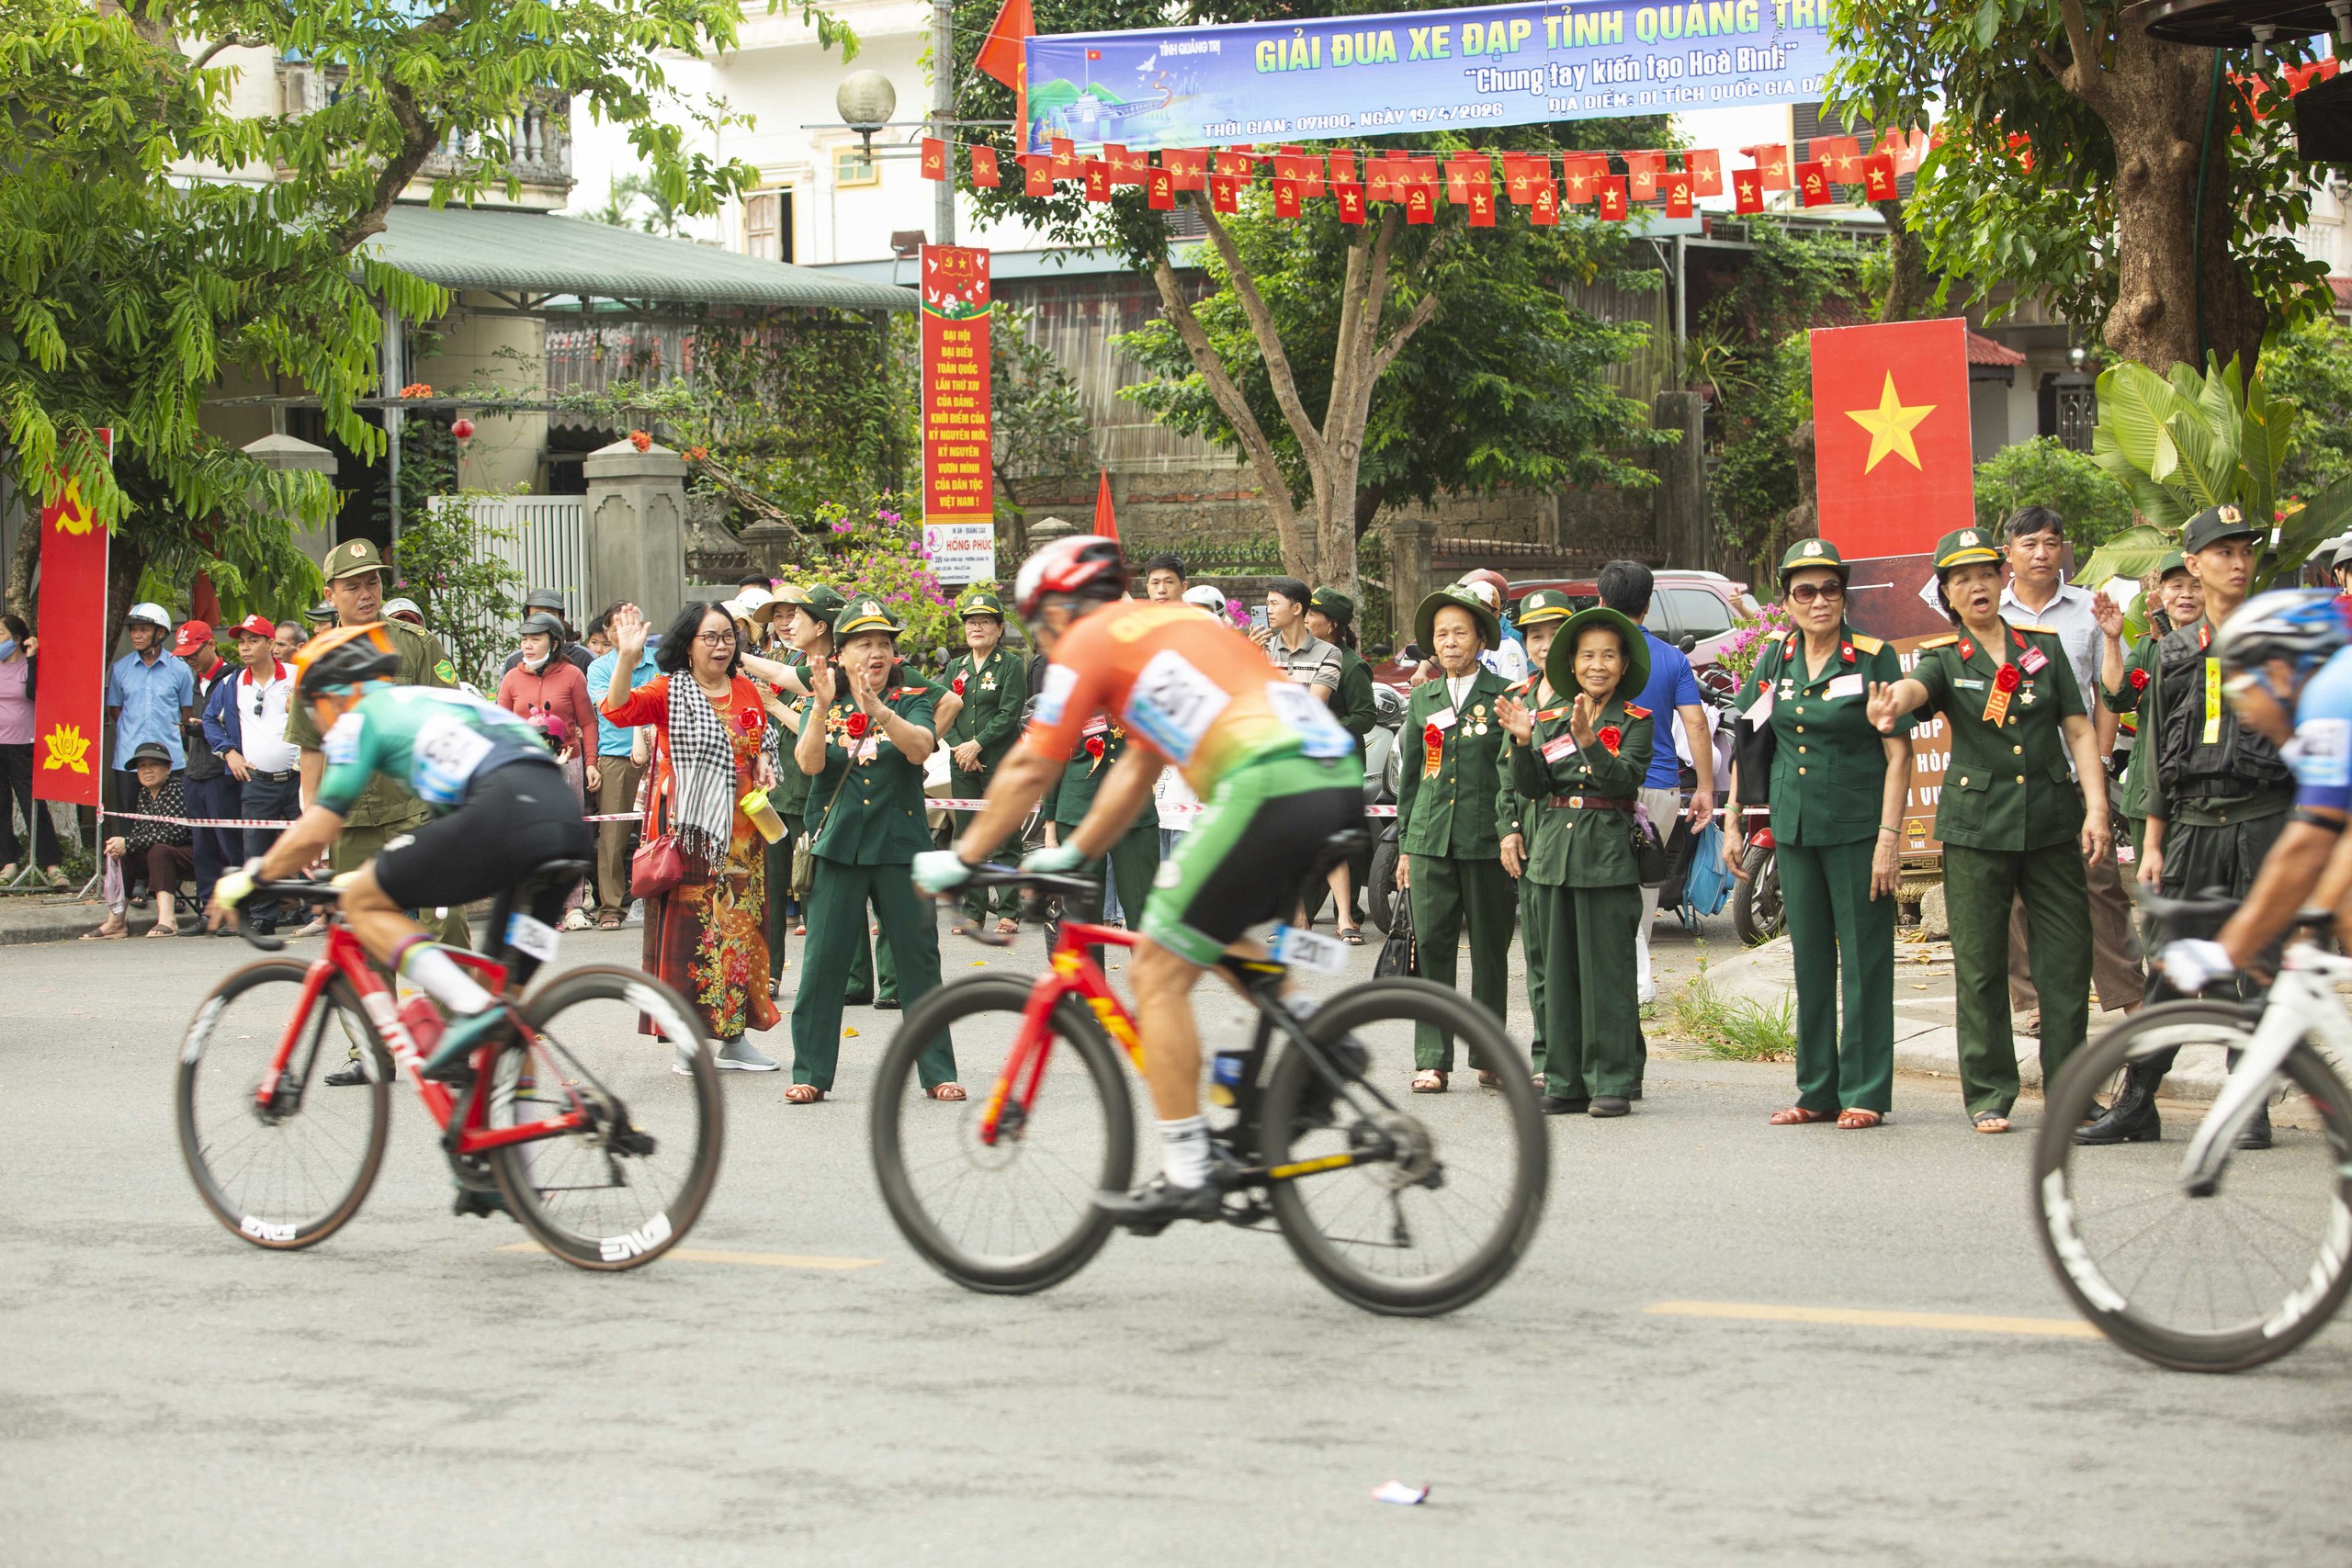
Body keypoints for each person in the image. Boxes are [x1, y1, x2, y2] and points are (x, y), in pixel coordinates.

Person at [915, 536, 1362, 1225]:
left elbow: (1034, 766)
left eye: (1040, 623)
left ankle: (1188, 1165)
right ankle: (1320, 1040)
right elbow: (1139, 766)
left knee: (1154, 966)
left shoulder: (1094, 640)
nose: (1045, 638)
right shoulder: (1176, 627)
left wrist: (965, 854)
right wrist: (1073, 853)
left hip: (1265, 785)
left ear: (1064, 610)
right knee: (1220, 937)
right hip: (1330, 777)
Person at [207, 626, 594, 1081]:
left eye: (314, 707)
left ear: (336, 695)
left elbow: (316, 830)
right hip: (563, 825)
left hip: (503, 812)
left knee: (363, 902)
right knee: (502, 999)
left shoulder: (360, 718)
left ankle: (467, 1007)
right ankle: (510, 1127)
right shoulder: (441, 703)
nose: (318, 722)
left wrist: (251, 878)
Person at [1864, 527, 2111, 1134]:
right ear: (1947, 593)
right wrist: (1893, 699)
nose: (1975, 585)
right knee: (1979, 964)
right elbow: (1917, 689)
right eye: (1960, 578)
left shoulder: (2043, 647)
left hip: (2053, 822)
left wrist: (2098, 807)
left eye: (1983, 573)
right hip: (1977, 829)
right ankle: (1990, 1091)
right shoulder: (1946, 658)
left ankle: (2072, 1087)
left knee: (2068, 960)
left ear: (2003, 579)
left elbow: (2079, 730)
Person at [2086, 504, 2293, 1145]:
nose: (2237, 562)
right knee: (2172, 968)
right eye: (2223, 552)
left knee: (2259, 964)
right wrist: (2151, 842)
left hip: (2263, 820)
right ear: (2194, 566)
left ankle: (2249, 1104)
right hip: (2193, 828)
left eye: (2245, 551)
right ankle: (2139, 1100)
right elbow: (2152, 749)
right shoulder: (2174, 652)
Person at [1724, 540, 1913, 1130]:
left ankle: (1864, 1091)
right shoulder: (1776, 658)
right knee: (1808, 960)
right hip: (1795, 827)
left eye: (1830, 588)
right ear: (1787, 600)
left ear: (1843, 594)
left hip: (1857, 828)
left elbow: (1898, 750)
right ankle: (1816, 1090)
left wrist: (1889, 836)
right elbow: (1751, 738)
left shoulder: (1872, 657)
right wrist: (1734, 818)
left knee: (1863, 959)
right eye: (1805, 591)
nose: (1820, 600)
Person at [2153, 591, 2352, 1044]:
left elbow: (2305, 847)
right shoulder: (2313, 712)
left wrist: (2225, 953)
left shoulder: (2332, 696)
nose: (2240, 708)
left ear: (2278, 673)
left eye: (2242, 688)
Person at [786, 597, 958, 1103]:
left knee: (918, 961)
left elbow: (921, 747)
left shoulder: (910, 698)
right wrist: (819, 707)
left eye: (884, 643)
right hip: (838, 846)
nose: (877, 653)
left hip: (901, 846)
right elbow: (810, 764)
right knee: (822, 964)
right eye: (865, 644)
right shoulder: (823, 699)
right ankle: (811, 1073)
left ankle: (937, 1071)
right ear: (840, 654)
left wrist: (878, 709)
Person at [596, 601, 783, 1067]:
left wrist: (762, 762)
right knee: (692, 940)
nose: (721, 647)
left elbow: (759, 740)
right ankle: (687, 1043)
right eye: (710, 638)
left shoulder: (744, 689)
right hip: (690, 834)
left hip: (743, 836)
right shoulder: (669, 690)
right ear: (689, 643)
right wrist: (625, 657)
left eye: (727, 637)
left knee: (739, 937)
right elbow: (616, 711)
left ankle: (735, 1041)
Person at [1497, 606, 1653, 1116]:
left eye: (1609, 655)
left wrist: (1588, 739)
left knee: (1606, 972)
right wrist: (1523, 743)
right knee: (1558, 974)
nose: (1598, 665)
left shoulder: (1636, 721)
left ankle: (1611, 1079)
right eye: (1588, 656)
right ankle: (1563, 1079)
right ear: (1574, 663)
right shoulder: (1547, 718)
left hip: (1605, 856)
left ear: (1624, 666)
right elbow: (1533, 786)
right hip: (1552, 856)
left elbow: (1622, 781)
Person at [1996, 507, 2143, 1034]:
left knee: (2100, 886)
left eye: (2051, 543)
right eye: (2029, 543)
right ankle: (2032, 1000)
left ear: (2064, 550)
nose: (2041, 553)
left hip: (2077, 775)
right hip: (2010, 775)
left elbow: (2112, 690)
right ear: (2008, 551)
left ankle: (2130, 996)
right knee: (2015, 892)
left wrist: (2100, 761)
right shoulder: (1991, 612)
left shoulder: (2089, 611)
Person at [284, 540, 469, 956]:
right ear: (330, 595)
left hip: (417, 807)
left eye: (372, 582)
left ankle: (458, 1019)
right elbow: (310, 745)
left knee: (446, 918)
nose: (366, 593)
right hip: (349, 821)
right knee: (361, 936)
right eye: (352, 587)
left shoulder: (416, 643)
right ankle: (379, 1022)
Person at [1395, 586, 1518, 1092]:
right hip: (1428, 839)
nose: (1449, 643)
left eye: (1459, 633)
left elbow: (1510, 769)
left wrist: (1510, 831)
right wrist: (1405, 843)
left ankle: (1489, 1054)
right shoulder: (1423, 697)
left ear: (1481, 638)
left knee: (1491, 950)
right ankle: (1431, 1059)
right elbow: (1411, 779)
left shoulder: (1506, 694)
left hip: (1486, 840)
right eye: (1441, 634)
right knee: (1432, 948)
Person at [1596, 559, 1717, 1004]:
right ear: (1647, 607)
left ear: (1601, 600)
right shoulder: (1672, 658)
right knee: (1645, 884)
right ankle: (1638, 981)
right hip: (1661, 788)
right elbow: (1697, 725)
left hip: (1601, 787)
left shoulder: (1593, 656)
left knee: (1604, 881)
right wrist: (1704, 789)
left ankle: (1611, 978)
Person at [1493, 588, 1576, 1086]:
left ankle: (1586, 1057)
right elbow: (1506, 775)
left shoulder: (1582, 696)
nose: (1544, 645)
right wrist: (1508, 831)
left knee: (1578, 952)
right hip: (1530, 838)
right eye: (1534, 636)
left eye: (1554, 634)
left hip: (1571, 832)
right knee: (1539, 955)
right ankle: (1547, 1056)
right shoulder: (1519, 698)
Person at [2095, 552, 2203, 866]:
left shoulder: (2223, 644)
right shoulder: (2146, 647)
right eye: (2176, 586)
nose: (2186, 593)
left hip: (2204, 793)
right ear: (2162, 595)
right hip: (2149, 785)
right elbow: (2117, 696)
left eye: (2196, 586)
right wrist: (2112, 640)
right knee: (2155, 900)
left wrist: (2171, 637)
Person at [201, 615, 301, 937]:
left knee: (311, 846)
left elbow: (327, 709)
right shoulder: (233, 683)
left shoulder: (298, 676)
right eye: (241, 641)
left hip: (300, 777)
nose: (244, 647)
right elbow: (209, 720)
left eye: (253, 640)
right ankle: (263, 916)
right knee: (255, 851)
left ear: (271, 645)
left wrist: (301, 705)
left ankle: (320, 910)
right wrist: (229, 752)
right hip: (257, 781)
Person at [940, 589, 1027, 937]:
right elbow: (944, 710)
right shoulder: (954, 668)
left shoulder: (1010, 666)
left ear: (1000, 628)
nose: (976, 628)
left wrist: (977, 745)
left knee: (1004, 836)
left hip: (1000, 762)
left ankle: (1009, 909)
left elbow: (1009, 714)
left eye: (985, 622)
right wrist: (963, 749)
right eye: (971, 622)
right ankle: (973, 911)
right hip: (962, 763)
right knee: (967, 837)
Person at [1306, 587, 1378, 943]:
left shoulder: (1352, 665)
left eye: (1312, 616)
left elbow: (1365, 716)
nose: (1305, 621)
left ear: (1332, 624)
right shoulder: (1305, 658)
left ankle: (1348, 917)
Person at [582, 603, 660, 930]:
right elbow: (611, 705)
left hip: (660, 756)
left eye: (632, 623)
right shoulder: (600, 668)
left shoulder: (661, 663)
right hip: (615, 757)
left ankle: (659, 900)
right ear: (608, 633)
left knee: (660, 832)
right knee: (613, 835)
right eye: (615, 627)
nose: (624, 631)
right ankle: (611, 906)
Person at [105, 603, 196, 868]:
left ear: (160, 633)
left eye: (143, 629)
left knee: (173, 824)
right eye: (133, 630)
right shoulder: (120, 669)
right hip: (129, 759)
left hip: (171, 760)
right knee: (130, 820)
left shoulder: (179, 668)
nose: (136, 635)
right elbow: (115, 710)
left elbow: (186, 714)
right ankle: (137, 881)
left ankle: (170, 879)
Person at [86, 741, 193, 938]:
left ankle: (168, 919)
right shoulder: (144, 793)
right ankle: (116, 922)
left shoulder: (176, 789)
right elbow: (139, 834)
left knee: (159, 850)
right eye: (142, 766)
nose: (147, 770)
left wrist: (129, 843)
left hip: (190, 853)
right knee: (126, 855)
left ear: (168, 768)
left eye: (153, 764)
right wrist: (123, 845)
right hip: (161, 856)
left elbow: (175, 834)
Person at [496, 611, 596, 795]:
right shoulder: (511, 678)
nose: (528, 646)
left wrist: (591, 764)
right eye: (524, 640)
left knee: (566, 820)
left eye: (535, 640)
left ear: (554, 643)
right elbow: (500, 725)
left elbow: (589, 723)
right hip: (524, 762)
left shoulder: (573, 675)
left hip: (568, 760)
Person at [0, 614, 64, 886]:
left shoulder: (29, 665)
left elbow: (32, 694)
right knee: (1, 805)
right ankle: (8, 861)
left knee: (33, 805)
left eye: (0, 633)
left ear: (15, 638)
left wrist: (33, 656)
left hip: (23, 744)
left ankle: (51, 865)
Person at [1253, 577, 1341, 700]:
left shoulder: (1329, 653)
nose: (1269, 611)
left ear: (1296, 609)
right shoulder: (1264, 649)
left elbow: (1313, 705)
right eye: (1268, 604)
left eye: (1274, 604)